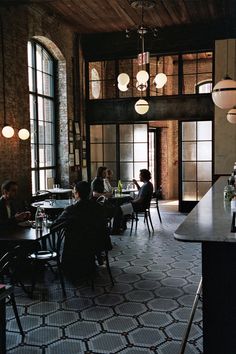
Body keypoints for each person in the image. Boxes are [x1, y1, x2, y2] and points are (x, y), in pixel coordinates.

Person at [54, 181, 112, 281]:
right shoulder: (98, 207)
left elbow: (55, 225)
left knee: (72, 238)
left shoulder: (71, 209)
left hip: (78, 245)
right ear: (89, 193)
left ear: (77, 193)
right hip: (98, 243)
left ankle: (70, 269)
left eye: (74, 191)